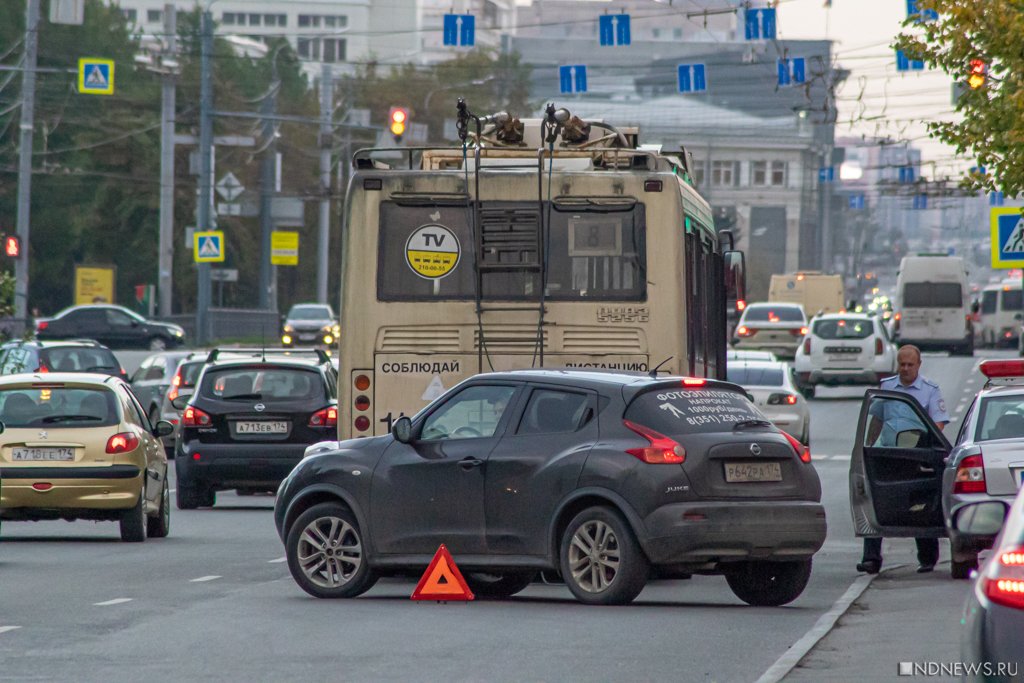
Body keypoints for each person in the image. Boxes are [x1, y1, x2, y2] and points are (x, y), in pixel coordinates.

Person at [856, 344, 949, 575]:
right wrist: (866, 448)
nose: (905, 368)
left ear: (919, 365)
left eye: (910, 364)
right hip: (889, 453)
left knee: (919, 505)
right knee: (877, 503)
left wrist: (924, 443)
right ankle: (871, 559)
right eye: (902, 364)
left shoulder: (930, 390)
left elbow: (938, 424)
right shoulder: (887, 387)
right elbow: (877, 419)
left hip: (917, 455)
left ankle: (927, 558)